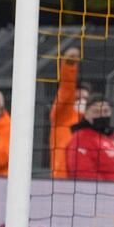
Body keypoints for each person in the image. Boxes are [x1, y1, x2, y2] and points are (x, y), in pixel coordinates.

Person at [49, 47, 91, 178]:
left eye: (85, 99)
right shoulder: (62, 116)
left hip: (86, 180)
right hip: (63, 178)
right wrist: (69, 64)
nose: (82, 102)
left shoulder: (92, 123)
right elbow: (66, 90)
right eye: (78, 99)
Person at [66, 95, 114, 181]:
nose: (102, 115)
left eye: (106, 111)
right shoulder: (80, 140)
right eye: (96, 112)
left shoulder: (109, 139)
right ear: (86, 114)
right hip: (104, 192)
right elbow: (83, 176)